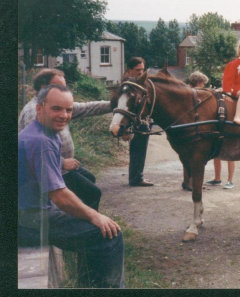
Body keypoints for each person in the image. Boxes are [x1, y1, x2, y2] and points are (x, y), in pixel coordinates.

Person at [18, 85, 124, 288]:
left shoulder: (45, 134)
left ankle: (89, 283)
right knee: (110, 235)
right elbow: (59, 195)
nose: (64, 115)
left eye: (68, 110)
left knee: (96, 228)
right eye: (56, 108)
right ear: (40, 109)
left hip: (30, 213)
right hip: (29, 221)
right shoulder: (41, 142)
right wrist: (95, 215)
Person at [18, 69, 110, 210]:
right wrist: (62, 162)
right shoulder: (34, 111)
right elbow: (35, 148)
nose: (64, 90)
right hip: (53, 170)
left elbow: (88, 108)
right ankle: (86, 225)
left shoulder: (58, 105)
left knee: (90, 178)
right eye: (59, 87)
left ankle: (74, 214)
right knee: (93, 193)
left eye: (65, 87)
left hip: (61, 166)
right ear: (44, 89)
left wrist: (115, 104)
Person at [185, 71, 236, 190]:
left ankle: (229, 180)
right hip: (210, 125)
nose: (204, 86)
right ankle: (218, 179)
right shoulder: (194, 93)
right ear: (198, 82)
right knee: (217, 153)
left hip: (219, 124)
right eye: (203, 84)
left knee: (228, 154)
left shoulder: (190, 91)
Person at [125, 57, 154, 187]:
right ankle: (136, 178)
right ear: (129, 70)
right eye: (137, 70)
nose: (140, 73)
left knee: (140, 149)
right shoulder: (128, 85)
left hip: (141, 121)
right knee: (138, 150)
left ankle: (136, 176)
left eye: (142, 70)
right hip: (134, 122)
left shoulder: (139, 82)